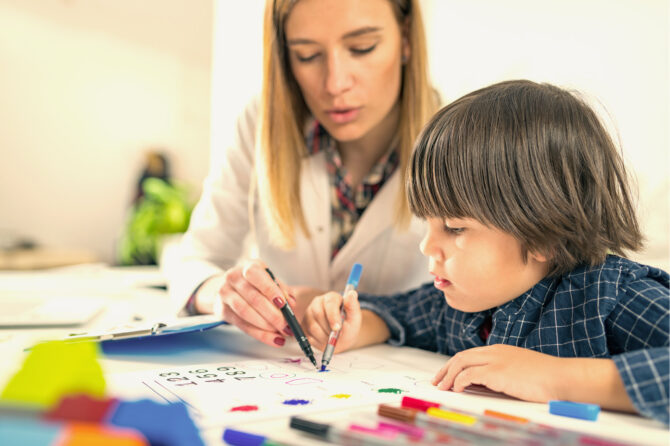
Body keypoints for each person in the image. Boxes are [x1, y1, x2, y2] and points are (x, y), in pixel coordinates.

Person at [303, 80, 670, 424]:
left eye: (455, 228)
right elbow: (401, 314)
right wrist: (355, 325)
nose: (427, 246)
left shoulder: (614, 296)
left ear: (544, 235)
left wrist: (555, 378)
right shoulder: (463, 300)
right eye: (426, 223)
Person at [168, 0, 439, 348]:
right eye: (307, 55)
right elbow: (192, 260)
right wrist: (222, 294)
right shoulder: (260, 125)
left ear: (405, 38)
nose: (335, 83)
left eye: (362, 48)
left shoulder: (465, 143)